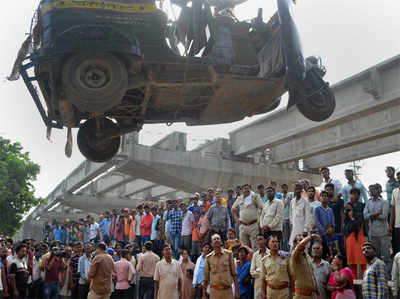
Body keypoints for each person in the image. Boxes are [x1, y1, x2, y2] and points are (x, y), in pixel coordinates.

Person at [364, 184, 391, 278]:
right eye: (370, 189)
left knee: (386, 257)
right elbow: (365, 216)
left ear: (378, 190)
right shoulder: (368, 202)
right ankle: (376, 276)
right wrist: (376, 213)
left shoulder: (384, 202)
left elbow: (384, 216)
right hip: (372, 234)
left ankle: (387, 277)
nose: (371, 191)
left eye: (373, 189)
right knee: (374, 256)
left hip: (383, 233)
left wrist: (371, 215)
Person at [203, 234, 239, 299]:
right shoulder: (208, 258)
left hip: (227, 291)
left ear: (221, 242)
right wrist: (204, 295)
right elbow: (205, 278)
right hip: (214, 292)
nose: (216, 240)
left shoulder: (229, 254)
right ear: (211, 244)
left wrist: (236, 292)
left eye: (218, 238)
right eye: (214, 239)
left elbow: (234, 274)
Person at [232, 184, 264, 250]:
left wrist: (260, 220)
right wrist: (236, 219)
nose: (246, 190)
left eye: (247, 188)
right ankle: (246, 260)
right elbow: (233, 209)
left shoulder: (255, 196)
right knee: (244, 247)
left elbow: (262, 207)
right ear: (242, 190)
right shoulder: (239, 198)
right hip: (242, 226)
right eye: (244, 188)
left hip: (253, 225)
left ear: (250, 189)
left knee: (255, 246)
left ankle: (255, 260)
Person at [344, 189, 367, 280]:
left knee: (362, 260)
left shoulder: (362, 205)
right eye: (351, 194)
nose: (352, 196)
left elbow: (360, 221)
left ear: (358, 195)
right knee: (352, 261)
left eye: (354, 194)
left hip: (359, 235)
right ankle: (354, 281)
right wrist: (349, 216)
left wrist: (352, 216)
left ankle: (365, 280)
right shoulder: (347, 206)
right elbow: (346, 223)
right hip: (350, 236)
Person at [289, 234, 319, 299]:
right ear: (294, 244)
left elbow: (312, 275)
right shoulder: (294, 256)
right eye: (300, 240)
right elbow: (300, 246)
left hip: (312, 295)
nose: (303, 241)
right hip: (301, 296)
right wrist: (311, 236)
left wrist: (317, 293)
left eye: (302, 239)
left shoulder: (307, 256)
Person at [289, 184, 311, 248]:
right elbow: (291, 214)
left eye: (299, 189)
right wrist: (292, 223)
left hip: (303, 230)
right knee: (293, 247)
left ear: (301, 190)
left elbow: (308, 216)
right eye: (296, 189)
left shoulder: (305, 201)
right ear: (294, 190)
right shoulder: (292, 201)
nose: (297, 191)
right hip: (294, 228)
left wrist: (305, 230)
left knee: (303, 248)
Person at [250, 234, 269, 299]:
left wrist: (258, 270)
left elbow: (271, 271)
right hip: (258, 286)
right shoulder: (255, 255)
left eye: (261, 239)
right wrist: (264, 272)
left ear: (265, 240)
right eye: (258, 240)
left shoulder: (270, 253)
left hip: (269, 285)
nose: (259, 242)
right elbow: (252, 272)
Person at [390, 171, 400, 256]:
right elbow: (392, 209)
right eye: (398, 177)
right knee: (398, 250)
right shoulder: (394, 191)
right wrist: (390, 225)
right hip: (397, 225)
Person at [281, 183, 293, 251]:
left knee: (290, 236)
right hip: (283, 218)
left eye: (285, 187)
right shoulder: (280, 196)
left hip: (289, 218)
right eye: (283, 188)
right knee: (284, 237)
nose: (284, 189)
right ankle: (285, 250)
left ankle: (290, 250)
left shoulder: (290, 195)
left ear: (287, 188)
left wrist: (287, 199)